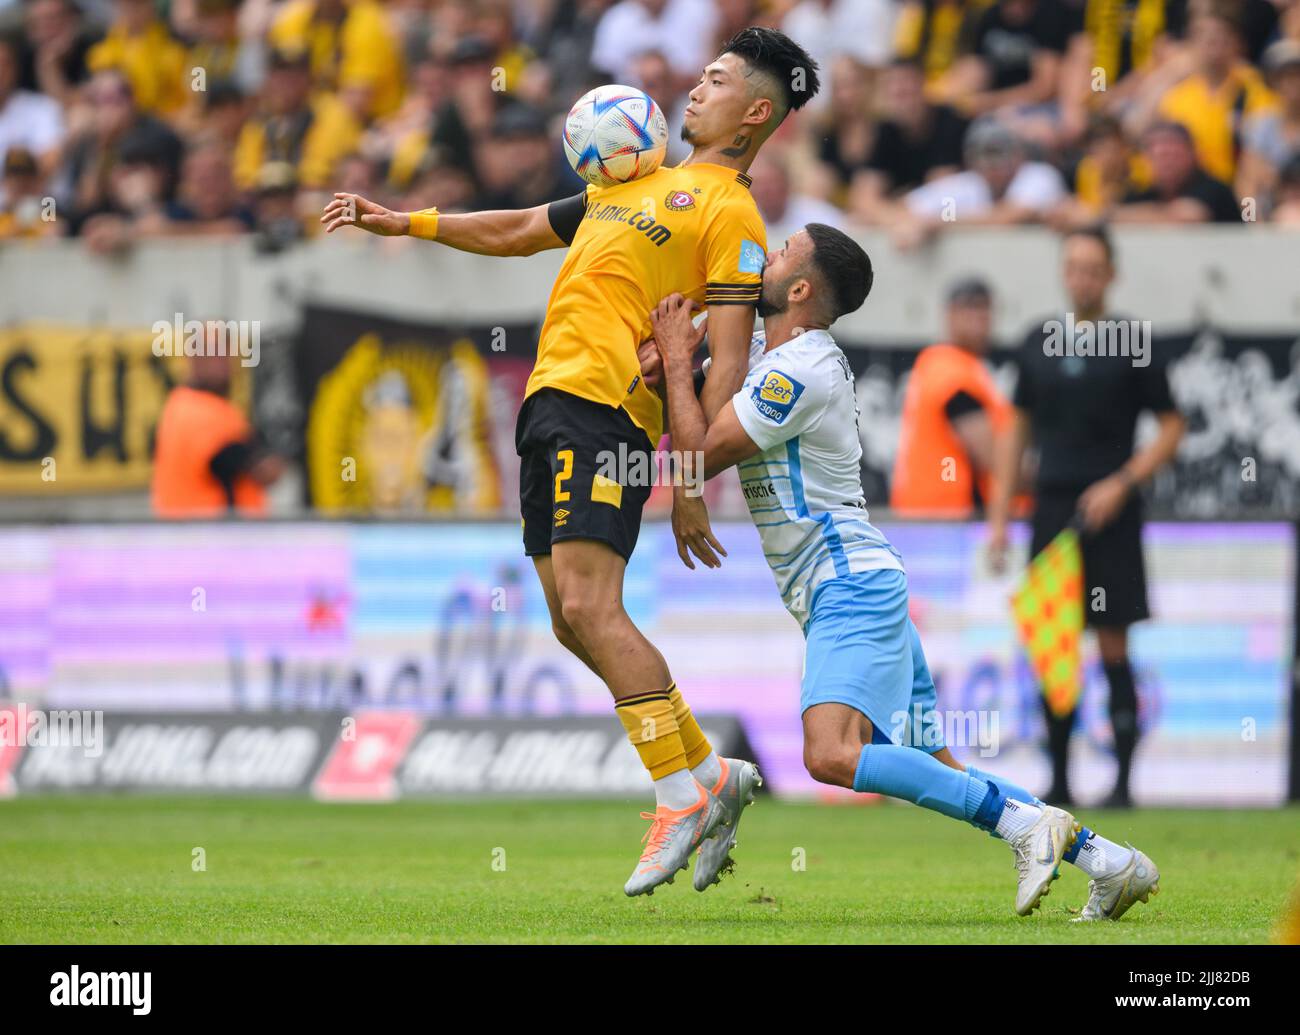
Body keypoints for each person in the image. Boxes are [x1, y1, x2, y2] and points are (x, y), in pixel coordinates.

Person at [320, 27, 820, 897]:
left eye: (716, 81)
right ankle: (709, 770)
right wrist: (407, 220)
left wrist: (693, 475)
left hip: (609, 412)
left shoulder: (730, 212)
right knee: (565, 615)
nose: (694, 91)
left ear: (757, 112)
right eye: (699, 77)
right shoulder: (631, 176)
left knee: (593, 603)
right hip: (551, 403)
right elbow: (519, 228)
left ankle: (678, 796)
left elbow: (730, 362)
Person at [646, 222, 1160, 920]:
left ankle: (1026, 826)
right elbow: (701, 415)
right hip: (862, 582)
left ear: (799, 289)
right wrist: (680, 370)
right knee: (938, 767)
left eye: (781, 250)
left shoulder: (802, 369)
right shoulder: (776, 353)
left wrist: (680, 363)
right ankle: (1109, 860)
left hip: (846, 584)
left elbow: (699, 452)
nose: (764, 255)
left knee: (830, 753)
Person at [987, 226, 1186, 808]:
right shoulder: (1037, 341)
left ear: (1111, 273)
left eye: (1093, 267)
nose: (1083, 277)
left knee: (1115, 645)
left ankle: (1124, 783)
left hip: (1114, 512)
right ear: (1064, 271)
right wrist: (1000, 518)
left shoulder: (1133, 340)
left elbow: (1172, 425)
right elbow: (1015, 429)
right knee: (1055, 647)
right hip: (1053, 508)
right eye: (1074, 266)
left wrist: (1122, 482)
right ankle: (1061, 782)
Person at [890, 277, 1021, 518]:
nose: (980, 319)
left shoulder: (940, 362)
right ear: (949, 315)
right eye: (970, 308)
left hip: (926, 513)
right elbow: (994, 459)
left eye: (985, 308)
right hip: (947, 518)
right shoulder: (951, 370)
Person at [152, 339, 284, 518]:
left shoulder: (184, 404)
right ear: (193, 358)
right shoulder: (198, 410)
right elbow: (261, 469)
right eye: (213, 354)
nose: (222, 364)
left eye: (224, 354)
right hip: (210, 534)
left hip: (194, 533)